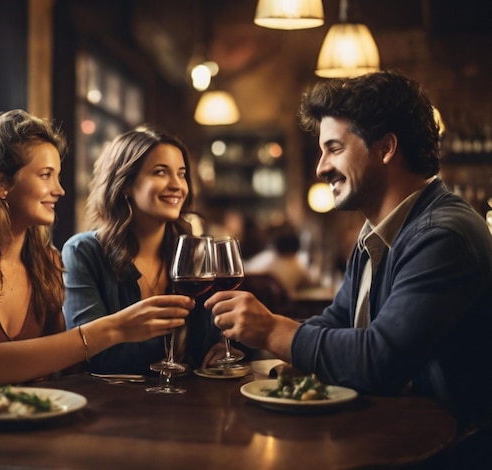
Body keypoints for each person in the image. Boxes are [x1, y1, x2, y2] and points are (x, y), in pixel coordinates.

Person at [205, 71, 492, 440]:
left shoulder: (442, 236)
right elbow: (337, 322)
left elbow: (379, 360)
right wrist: (256, 340)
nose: (321, 167)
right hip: (402, 435)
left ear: (386, 148)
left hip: (450, 447)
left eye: (334, 149)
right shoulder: (378, 231)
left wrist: (271, 330)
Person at [0, 110, 193, 402]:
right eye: (46, 175)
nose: (59, 190)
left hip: (12, 428)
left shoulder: (47, 261)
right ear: (1, 184)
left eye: (58, 176)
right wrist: (115, 328)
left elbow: (63, 369)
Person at [62, 125, 225, 375]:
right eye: (160, 172)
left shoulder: (193, 250)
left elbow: (213, 339)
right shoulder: (84, 252)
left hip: (190, 404)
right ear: (125, 184)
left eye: (181, 174)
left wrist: (223, 348)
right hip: (116, 406)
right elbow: (93, 354)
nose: (177, 185)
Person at [244, 222, 315, 296]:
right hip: (287, 304)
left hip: (263, 301)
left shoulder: (269, 259)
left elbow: (245, 270)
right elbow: (311, 281)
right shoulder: (298, 264)